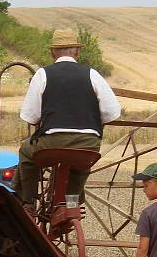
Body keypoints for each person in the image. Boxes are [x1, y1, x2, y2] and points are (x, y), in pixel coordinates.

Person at [12, 28, 121, 209]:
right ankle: (70, 206)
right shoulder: (92, 74)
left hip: (53, 142)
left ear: (53, 52)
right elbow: (112, 113)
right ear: (77, 51)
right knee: (79, 169)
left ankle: (28, 201)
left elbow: (30, 116)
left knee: (25, 152)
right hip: (88, 143)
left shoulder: (43, 74)